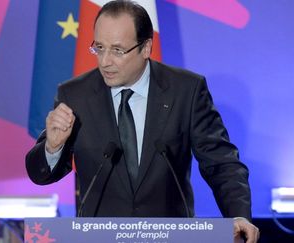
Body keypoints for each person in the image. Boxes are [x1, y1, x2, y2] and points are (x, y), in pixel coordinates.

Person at [26, 0, 259, 242]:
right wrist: (52, 147)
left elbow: (221, 163)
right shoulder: (75, 95)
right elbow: (40, 174)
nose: (105, 61)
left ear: (146, 48)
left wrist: (239, 215)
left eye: (117, 50)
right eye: (99, 47)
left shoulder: (186, 91)